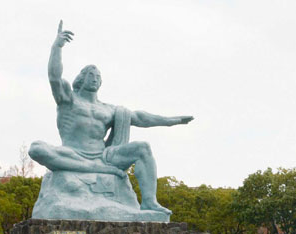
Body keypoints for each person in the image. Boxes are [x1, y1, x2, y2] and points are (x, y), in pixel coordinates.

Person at [27, 21, 192, 215]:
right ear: (81, 78)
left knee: (143, 148)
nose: (95, 78)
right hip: (72, 153)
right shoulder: (68, 100)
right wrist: (57, 47)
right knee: (36, 148)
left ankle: (149, 201)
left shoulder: (108, 109)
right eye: (90, 74)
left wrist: (170, 121)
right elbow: (54, 77)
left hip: (104, 157)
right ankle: (90, 167)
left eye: (98, 75)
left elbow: (139, 117)